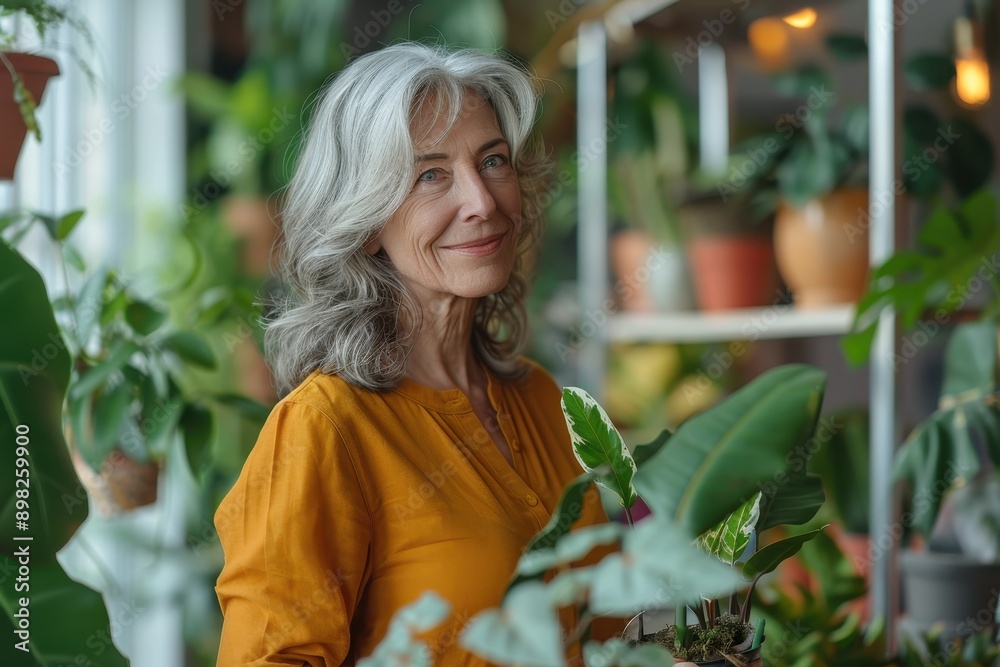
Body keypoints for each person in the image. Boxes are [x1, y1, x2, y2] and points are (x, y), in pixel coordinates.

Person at [214, 42, 611, 666]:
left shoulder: (545, 402)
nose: (481, 201)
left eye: (493, 160)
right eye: (431, 175)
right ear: (367, 221)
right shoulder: (323, 428)